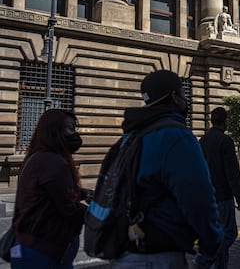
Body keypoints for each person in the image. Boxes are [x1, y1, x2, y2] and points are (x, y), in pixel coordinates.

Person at [110, 70, 223, 268]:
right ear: (174, 96)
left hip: (125, 252)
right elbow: (199, 199)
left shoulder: (128, 138)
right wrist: (212, 243)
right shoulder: (177, 136)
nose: (186, 99)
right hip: (159, 254)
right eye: (183, 93)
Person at [11, 109, 93, 268]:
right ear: (54, 131)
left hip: (28, 249)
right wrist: (103, 212)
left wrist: (82, 193)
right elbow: (70, 208)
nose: (74, 134)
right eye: (70, 128)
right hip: (42, 254)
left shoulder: (37, 157)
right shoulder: (53, 162)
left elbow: (51, 194)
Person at [199, 107, 240, 269]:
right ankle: (205, 258)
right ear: (225, 121)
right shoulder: (225, 141)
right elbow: (232, 172)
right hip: (223, 196)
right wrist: (239, 197)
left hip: (207, 196)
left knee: (217, 233)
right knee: (229, 233)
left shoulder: (202, 140)